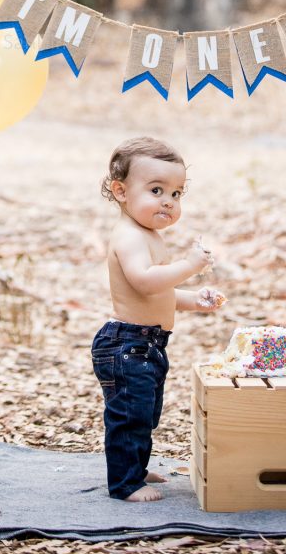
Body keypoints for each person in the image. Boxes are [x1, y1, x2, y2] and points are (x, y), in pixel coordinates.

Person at [91, 136, 226, 502]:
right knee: (129, 415)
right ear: (121, 191)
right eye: (156, 190)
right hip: (127, 344)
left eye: (177, 193)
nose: (168, 201)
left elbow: (158, 293)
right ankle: (125, 482)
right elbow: (145, 283)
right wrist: (190, 266)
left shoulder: (149, 235)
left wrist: (193, 301)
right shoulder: (130, 237)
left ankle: (134, 463)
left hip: (146, 344)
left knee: (145, 413)